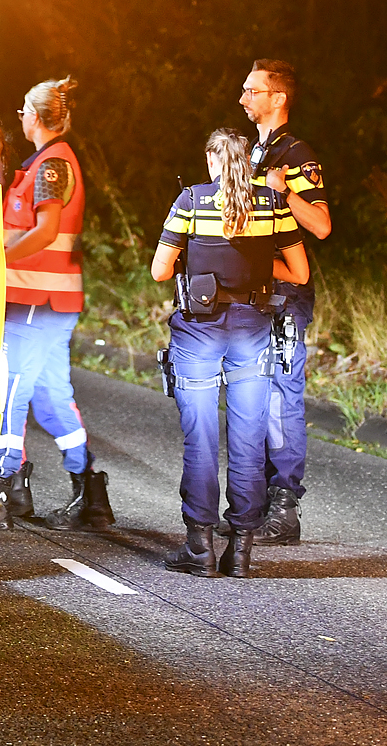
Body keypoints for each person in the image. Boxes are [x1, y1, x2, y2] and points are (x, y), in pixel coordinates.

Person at [151, 128, 309, 577]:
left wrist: (198, 263)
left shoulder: (191, 200)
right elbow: (298, 272)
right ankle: (240, 551)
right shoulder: (274, 203)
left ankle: (198, 546)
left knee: (199, 440)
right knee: (246, 443)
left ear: (211, 161)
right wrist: (255, 264)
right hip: (252, 329)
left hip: (199, 331)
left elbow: (161, 270)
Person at [0, 76, 115, 530]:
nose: (19, 116)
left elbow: (46, 230)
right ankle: (89, 489)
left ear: (35, 117)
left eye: (22, 109)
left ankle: (5, 483)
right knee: (53, 396)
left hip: (38, 298)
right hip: (50, 299)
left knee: (12, 389)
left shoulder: (52, 167)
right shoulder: (44, 162)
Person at [239, 59, 331, 546]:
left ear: (278, 98)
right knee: (250, 392)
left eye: (252, 91)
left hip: (286, 293)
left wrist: (282, 190)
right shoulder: (251, 152)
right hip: (250, 291)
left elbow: (320, 224)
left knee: (280, 396)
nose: (243, 99)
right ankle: (251, 500)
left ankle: (285, 503)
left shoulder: (297, 154)